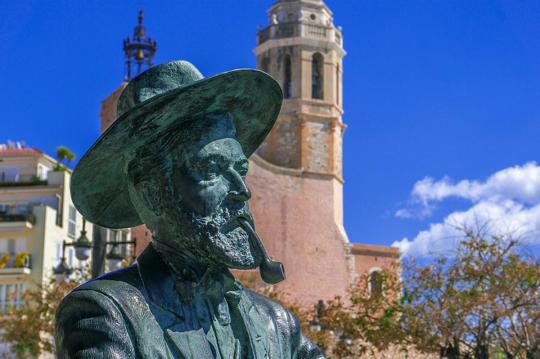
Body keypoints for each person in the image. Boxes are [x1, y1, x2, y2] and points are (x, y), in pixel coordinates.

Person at [55, 60, 323, 359]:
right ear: (153, 192)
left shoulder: (280, 327)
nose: (241, 190)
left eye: (240, 170)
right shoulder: (105, 313)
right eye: (212, 169)